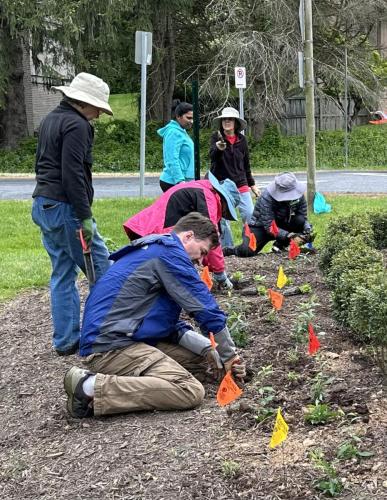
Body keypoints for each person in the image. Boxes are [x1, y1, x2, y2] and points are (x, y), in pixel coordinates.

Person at [64, 213, 247, 419]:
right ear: (188, 236)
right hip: (110, 348)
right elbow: (205, 309)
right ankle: (89, 386)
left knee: (205, 362)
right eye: (202, 252)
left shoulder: (157, 251)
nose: (201, 261)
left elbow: (165, 323)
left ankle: (106, 390)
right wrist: (229, 355)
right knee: (189, 390)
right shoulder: (170, 255)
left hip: (123, 337)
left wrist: (209, 349)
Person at [31, 73, 112, 356]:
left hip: (43, 203)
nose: (99, 115)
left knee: (62, 273)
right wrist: (85, 216)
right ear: (83, 102)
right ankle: (106, 335)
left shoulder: (51, 118)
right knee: (102, 270)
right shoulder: (78, 125)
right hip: (66, 208)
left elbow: (43, 165)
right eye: (98, 108)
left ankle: (66, 340)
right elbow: (73, 173)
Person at [123, 172, 240, 289]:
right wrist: (220, 273)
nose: (224, 214)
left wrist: (208, 265)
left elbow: (200, 243)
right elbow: (209, 237)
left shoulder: (199, 188)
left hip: (146, 229)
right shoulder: (209, 197)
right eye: (226, 210)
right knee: (182, 281)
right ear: (223, 200)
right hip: (159, 234)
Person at [224, 172, 312, 257]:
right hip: (261, 227)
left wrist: (307, 230)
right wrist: (289, 236)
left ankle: (279, 245)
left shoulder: (299, 196)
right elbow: (269, 226)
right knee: (247, 250)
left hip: (282, 223)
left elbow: (303, 216)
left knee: (300, 220)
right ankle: (229, 250)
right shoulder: (266, 197)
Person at [210, 107, 260, 247]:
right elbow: (212, 157)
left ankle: (248, 245)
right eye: (225, 119)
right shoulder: (216, 137)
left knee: (249, 214)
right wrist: (219, 149)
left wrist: (252, 185)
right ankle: (227, 248)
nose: (227, 121)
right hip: (221, 184)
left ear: (236, 123)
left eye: (230, 119)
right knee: (222, 218)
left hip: (240, 182)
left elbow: (246, 164)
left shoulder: (242, 140)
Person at [158, 100, 194, 192]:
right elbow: (172, 159)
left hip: (185, 181)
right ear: (178, 116)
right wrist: (180, 181)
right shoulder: (173, 132)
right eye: (188, 118)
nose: (191, 121)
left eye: (193, 118)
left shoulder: (182, 131)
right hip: (174, 182)